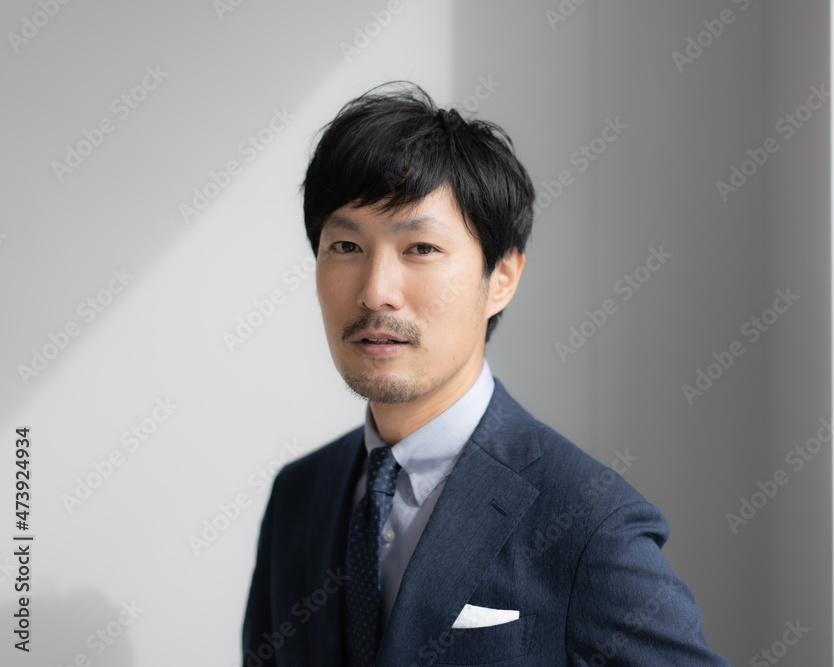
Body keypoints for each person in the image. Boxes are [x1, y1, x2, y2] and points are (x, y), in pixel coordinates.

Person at [241, 81, 729, 666]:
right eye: (345, 245)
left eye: (420, 248)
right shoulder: (299, 496)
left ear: (501, 278)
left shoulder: (588, 525)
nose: (375, 291)